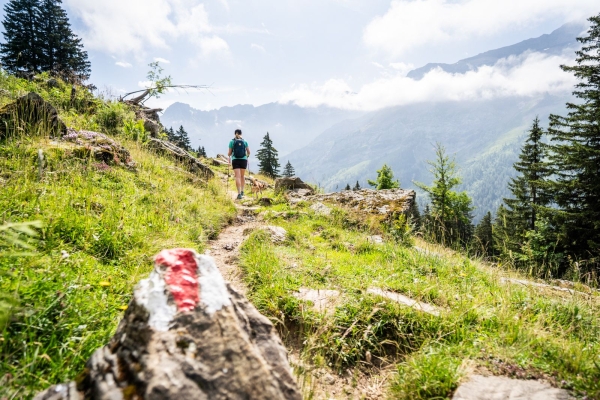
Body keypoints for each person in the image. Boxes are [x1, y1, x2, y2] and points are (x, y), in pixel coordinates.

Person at [228, 129, 250, 199]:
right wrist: (247, 156)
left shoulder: (232, 141)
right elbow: (249, 152)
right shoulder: (245, 141)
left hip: (235, 160)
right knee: (242, 176)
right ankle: (243, 191)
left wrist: (229, 155)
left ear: (235, 134)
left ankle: (239, 193)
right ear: (241, 134)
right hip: (243, 160)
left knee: (237, 176)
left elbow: (229, 153)